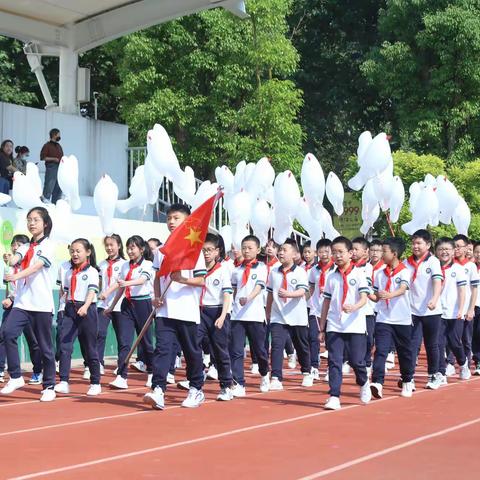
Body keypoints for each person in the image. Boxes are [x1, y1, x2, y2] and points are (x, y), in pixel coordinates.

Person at [144, 204, 207, 410]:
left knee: (191, 351)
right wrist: (155, 296)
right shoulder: (162, 250)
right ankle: (159, 389)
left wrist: (181, 280)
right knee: (163, 349)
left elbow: (201, 280)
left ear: (187, 220)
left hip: (186, 310)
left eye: (176, 218)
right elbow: (157, 276)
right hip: (165, 309)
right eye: (169, 218)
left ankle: (196, 388)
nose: (171, 221)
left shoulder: (194, 248)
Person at [0, 207, 56, 401]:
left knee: (45, 347)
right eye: (29, 220)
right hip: (22, 302)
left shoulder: (49, 245)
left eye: (36, 220)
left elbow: (35, 267)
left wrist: (15, 274)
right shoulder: (24, 246)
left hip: (41, 304)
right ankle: (15, 376)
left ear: (45, 224)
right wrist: (11, 258)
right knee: (7, 332)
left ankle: (49, 385)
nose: (32, 223)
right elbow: (18, 257)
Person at [319, 236, 371, 410]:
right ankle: (334, 396)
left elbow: (364, 298)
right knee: (334, 361)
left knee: (357, 361)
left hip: (355, 325)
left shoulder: (359, 274)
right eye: (334, 252)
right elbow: (326, 302)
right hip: (335, 324)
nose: (337, 255)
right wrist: (322, 326)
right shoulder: (331, 277)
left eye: (340, 252)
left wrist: (354, 307)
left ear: (350, 253)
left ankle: (363, 382)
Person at [185, 233, 234, 401]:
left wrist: (222, 315)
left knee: (220, 351)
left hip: (217, 311)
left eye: (209, 250)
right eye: (202, 250)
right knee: (192, 346)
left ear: (217, 252)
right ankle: (195, 381)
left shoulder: (222, 270)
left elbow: (227, 294)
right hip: (198, 311)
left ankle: (226, 385)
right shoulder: (195, 270)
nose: (205, 253)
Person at [55, 239, 102, 396]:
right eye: (72, 251)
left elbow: (92, 291)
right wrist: (62, 306)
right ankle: (63, 381)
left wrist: (86, 306)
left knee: (90, 348)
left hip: (87, 310)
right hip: (70, 309)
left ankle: (95, 382)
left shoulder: (92, 272)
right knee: (65, 345)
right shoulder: (68, 272)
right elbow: (65, 291)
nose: (74, 254)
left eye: (78, 251)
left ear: (88, 252)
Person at [106, 236, 154, 390]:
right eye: (128, 247)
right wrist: (112, 306)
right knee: (125, 341)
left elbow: (142, 280)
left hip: (143, 304)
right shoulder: (125, 266)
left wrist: (126, 283)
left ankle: (152, 372)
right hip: (127, 304)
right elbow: (120, 287)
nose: (130, 251)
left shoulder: (148, 264)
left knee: (146, 341)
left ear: (141, 249)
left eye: (133, 247)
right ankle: (121, 376)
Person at [370, 237, 414, 399]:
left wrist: (389, 294)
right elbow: (376, 296)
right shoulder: (380, 273)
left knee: (405, 352)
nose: (381, 253)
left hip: (401, 319)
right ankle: (377, 382)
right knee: (380, 350)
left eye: (384, 251)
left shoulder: (405, 271)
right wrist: (367, 294)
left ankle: (407, 380)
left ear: (394, 254)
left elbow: (402, 289)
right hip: (383, 318)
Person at [266, 239, 313, 390]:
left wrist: (289, 294)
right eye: (280, 250)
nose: (280, 252)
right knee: (277, 345)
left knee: (301, 346)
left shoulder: (300, 271)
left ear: (294, 254)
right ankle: (275, 377)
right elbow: (270, 294)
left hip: (297, 316)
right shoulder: (274, 272)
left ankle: (306, 372)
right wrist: (267, 312)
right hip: (278, 315)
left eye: (284, 250)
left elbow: (303, 291)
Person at [229, 235, 271, 397]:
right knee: (236, 350)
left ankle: (264, 373)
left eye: (250, 248)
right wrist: (231, 305)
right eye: (244, 248)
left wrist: (248, 298)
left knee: (259, 350)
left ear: (258, 250)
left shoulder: (261, 267)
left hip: (255, 315)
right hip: (237, 316)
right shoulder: (236, 270)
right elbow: (233, 291)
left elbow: (259, 287)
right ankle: (239, 382)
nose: (246, 251)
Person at [0, 234, 43, 385]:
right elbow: (9, 287)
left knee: (33, 341)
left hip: (28, 306)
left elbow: (25, 288)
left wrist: (11, 298)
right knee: (4, 335)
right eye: (14, 244)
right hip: (13, 306)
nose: (15, 247)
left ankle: (38, 371)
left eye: (19, 245)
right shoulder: (9, 267)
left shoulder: (29, 268)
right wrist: (8, 299)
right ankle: (3, 370)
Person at [404, 229, 443, 390]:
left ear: (428, 245)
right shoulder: (406, 263)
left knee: (431, 344)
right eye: (413, 243)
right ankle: (409, 377)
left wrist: (434, 299)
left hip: (431, 311)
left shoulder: (433, 261)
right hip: (413, 311)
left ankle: (434, 374)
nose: (415, 246)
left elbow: (437, 281)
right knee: (412, 344)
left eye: (419, 243)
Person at [436, 237, 470, 383]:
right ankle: (441, 373)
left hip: (455, 312)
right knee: (438, 343)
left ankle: (463, 364)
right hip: (437, 312)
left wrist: (461, 310)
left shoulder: (458, 269)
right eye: (441, 249)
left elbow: (462, 291)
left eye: (447, 249)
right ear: (436, 251)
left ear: (453, 251)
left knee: (454, 342)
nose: (444, 252)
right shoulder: (434, 267)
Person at [97, 234, 128, 374]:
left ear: (119, 246)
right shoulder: (101, 264)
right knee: (99, 333)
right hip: (103, 304)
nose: (109, 248)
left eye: (112, 245)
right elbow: (99, 282)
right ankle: (98, 363)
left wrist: (107, 292)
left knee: (122, 337)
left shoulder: (124, 264)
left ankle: (121, 366)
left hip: (120, 304)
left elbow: (119, 283)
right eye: (107, 245)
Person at [308, 239, 334, 380]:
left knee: (331, 341)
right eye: (321, 251)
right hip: (316, 309)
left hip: (331, 311)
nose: (324, 254)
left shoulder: (336, 269)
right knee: (313, 338)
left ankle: (331, 368)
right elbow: (311, 286)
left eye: (326, 251)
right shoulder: (314, 270)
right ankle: (314, 367)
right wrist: (307, 298)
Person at [351, 237, 375, 376]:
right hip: (352, 310)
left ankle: (367, 362)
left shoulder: (368, 267)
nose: (353, 252)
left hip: (367, 309)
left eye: (356, 249)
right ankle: (349, 361)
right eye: (352, 249)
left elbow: (367, 287)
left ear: (366, 251)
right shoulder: (345, 267)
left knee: (368, 339)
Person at [40, 128, 63, 204]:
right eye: (58, 134)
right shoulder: (47, 145)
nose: (60, 136)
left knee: (58, 187)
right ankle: (44, 203)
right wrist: (54, 159)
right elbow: (43, 157)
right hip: (51, 167)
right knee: (49, 186)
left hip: (59, 168)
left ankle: (56, 204)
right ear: (54, 135)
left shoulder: (59, 146)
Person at [472, 241, 480, 375]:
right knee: (474, 334)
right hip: (473, 306)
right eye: (477, 252)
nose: (479, 254)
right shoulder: (470, 267)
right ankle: (478, 361)